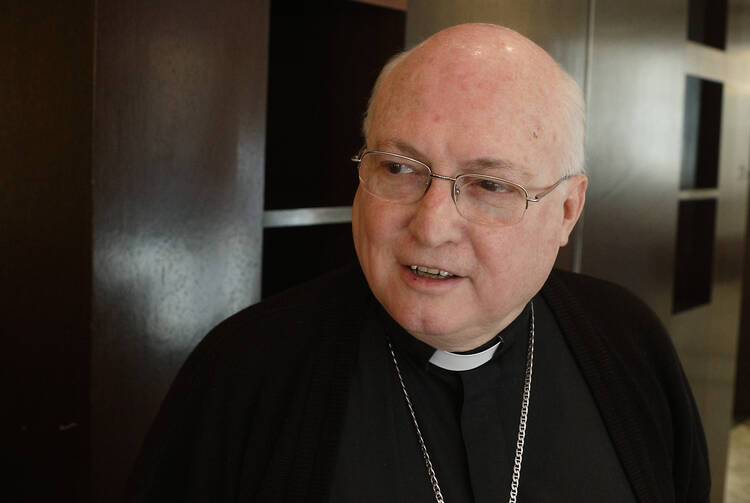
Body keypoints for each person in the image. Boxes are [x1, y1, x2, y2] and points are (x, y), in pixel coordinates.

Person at [127, 23, 710, 502]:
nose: (430, 228)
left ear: (566, 210)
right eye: (400, 169)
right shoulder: (243, 372)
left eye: (489, 184)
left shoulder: (628, 344)